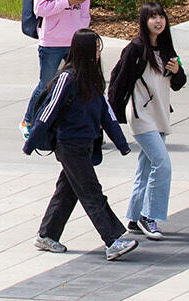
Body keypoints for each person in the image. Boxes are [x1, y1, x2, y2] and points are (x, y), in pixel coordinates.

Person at [28, 28, 138, 261]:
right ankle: (113, 240)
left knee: (67, 191)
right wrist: (31, 142)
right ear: (84, 50)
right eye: (95, 49)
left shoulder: (93, 79)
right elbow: (48, 111)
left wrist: (122, 143)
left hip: (85, 145)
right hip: (69, 146)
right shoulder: (67, 77)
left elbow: (105, 115)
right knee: (91, 192)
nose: (98, 54)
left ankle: (47, 235)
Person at [108, 2, 186, 241]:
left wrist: (177, 71)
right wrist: (110, 117)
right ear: (144, 21)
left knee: (145, 167)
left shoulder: (166, 48)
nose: (158, 21)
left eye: (161, 16)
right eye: (152, 17)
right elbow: (118, 82)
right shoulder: (136, 49)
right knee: (162, 164)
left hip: (160, 114)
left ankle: (133, 217)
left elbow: (178, 83)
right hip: (142, 117)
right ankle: (148, 215)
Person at [24, 0, 90, 138]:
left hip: (74, 38)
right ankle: (29, 121)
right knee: (46, 83)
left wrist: (83, 22)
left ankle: (80, 123)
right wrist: (66, 2)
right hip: (52, 41)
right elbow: (41, 8)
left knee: (80, 82)